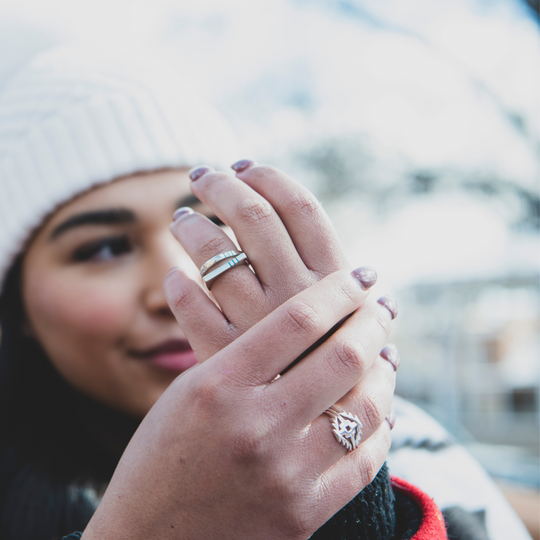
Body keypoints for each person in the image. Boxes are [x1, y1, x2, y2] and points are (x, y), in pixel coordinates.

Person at [0, 44, 448, 540]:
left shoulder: (408, 442)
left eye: (213, 225)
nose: (181, 287)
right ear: (17, 305)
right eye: (105, 248)